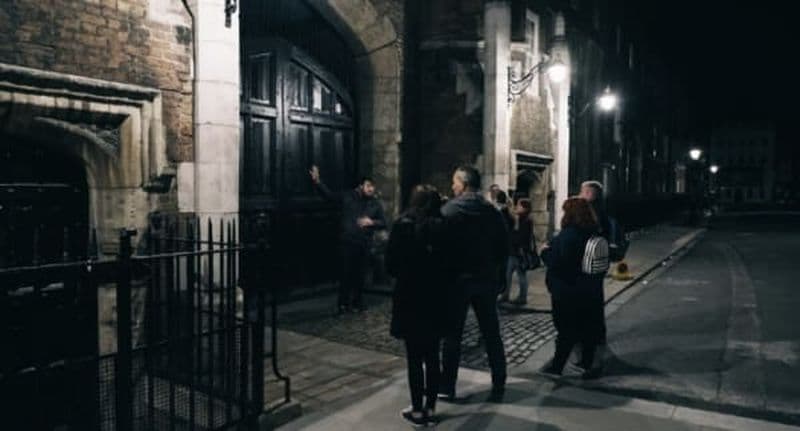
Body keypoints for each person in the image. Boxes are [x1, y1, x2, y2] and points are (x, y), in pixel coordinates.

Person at [439, 166, 509, 403]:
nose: (452, 186)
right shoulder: (492, 211)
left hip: (456, 281)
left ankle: (447, 386)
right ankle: (499, 383)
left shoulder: (449, 210)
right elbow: (503, 247)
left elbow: (440, 247)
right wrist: (499, 277)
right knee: (491, 333)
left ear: (464, 183)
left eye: (455, 182)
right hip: (485, 279)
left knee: (452, 336)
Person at [386, 185, 449, 427]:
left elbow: (391, 264)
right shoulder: (443, 227)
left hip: (410, 296)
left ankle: (418, 409)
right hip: (436, 297)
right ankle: (431, 407)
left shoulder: (403, 225)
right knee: (433, 355)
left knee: (414, 357)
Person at [539, 197, 604, 379]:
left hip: (566, 290)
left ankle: (557, 368)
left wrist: (544, 252)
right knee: (587, 329)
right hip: (589, 289)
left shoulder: (568, 236)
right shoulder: (593, 232)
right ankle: (586, 363)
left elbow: (559, 263)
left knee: (565, 330)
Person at [309, 165, 386, 313]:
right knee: (345, 274)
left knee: (360, 275)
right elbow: (329, 196)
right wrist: (318, 182)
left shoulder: (375, 204)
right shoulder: (347, 197)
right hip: (347, 243)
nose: (371, 189)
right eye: (368, 186)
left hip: (364, 244)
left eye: (373, 187)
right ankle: (343, 304)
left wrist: (372, 222)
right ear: (360, 186)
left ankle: (358, 303)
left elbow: (383, 222)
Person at [578, 180, 612, 374]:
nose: (580, 195)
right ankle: (594, 347)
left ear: (590, 193)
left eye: (583, 192)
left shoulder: (592, 215)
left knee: (590, 312)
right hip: (597, 268)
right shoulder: (601, 212)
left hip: (589, 269)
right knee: (594, 309)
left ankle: (591, 359)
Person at [499, 198, 534, 305]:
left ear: (524, 208)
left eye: (519, 206)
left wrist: (515, 227)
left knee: (521, 275)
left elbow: (521, 237)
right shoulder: (519, 218)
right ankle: (505, 295)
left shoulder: (525, 220)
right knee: (507, 275)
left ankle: (522, 297)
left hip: (519, 252)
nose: (516, 207)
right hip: (513, 251)